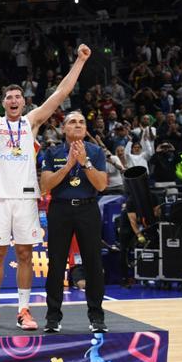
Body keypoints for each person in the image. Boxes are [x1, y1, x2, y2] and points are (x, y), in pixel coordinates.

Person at [0, 42, 91, 331]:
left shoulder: (32, 122)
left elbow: (61, 92)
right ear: (3, 102)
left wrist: (80, 61)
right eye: (8, 97)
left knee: (24, 254)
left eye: (17, 97)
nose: (13, 101)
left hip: (25, 201)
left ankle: (24, 309)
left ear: (24, 103)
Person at [39, 112, 109, 333]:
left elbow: (101, 185)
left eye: (81, 122)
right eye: (72, 122)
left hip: (88, 208)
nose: (77, 125)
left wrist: (84, 163)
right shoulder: (52, 152)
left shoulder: (96, 152)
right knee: (57, 264)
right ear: (63, 128)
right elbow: (46, 185)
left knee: (93, 264)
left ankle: (97, 317)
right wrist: (69, 165)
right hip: (60, 208)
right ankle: (52, 318)